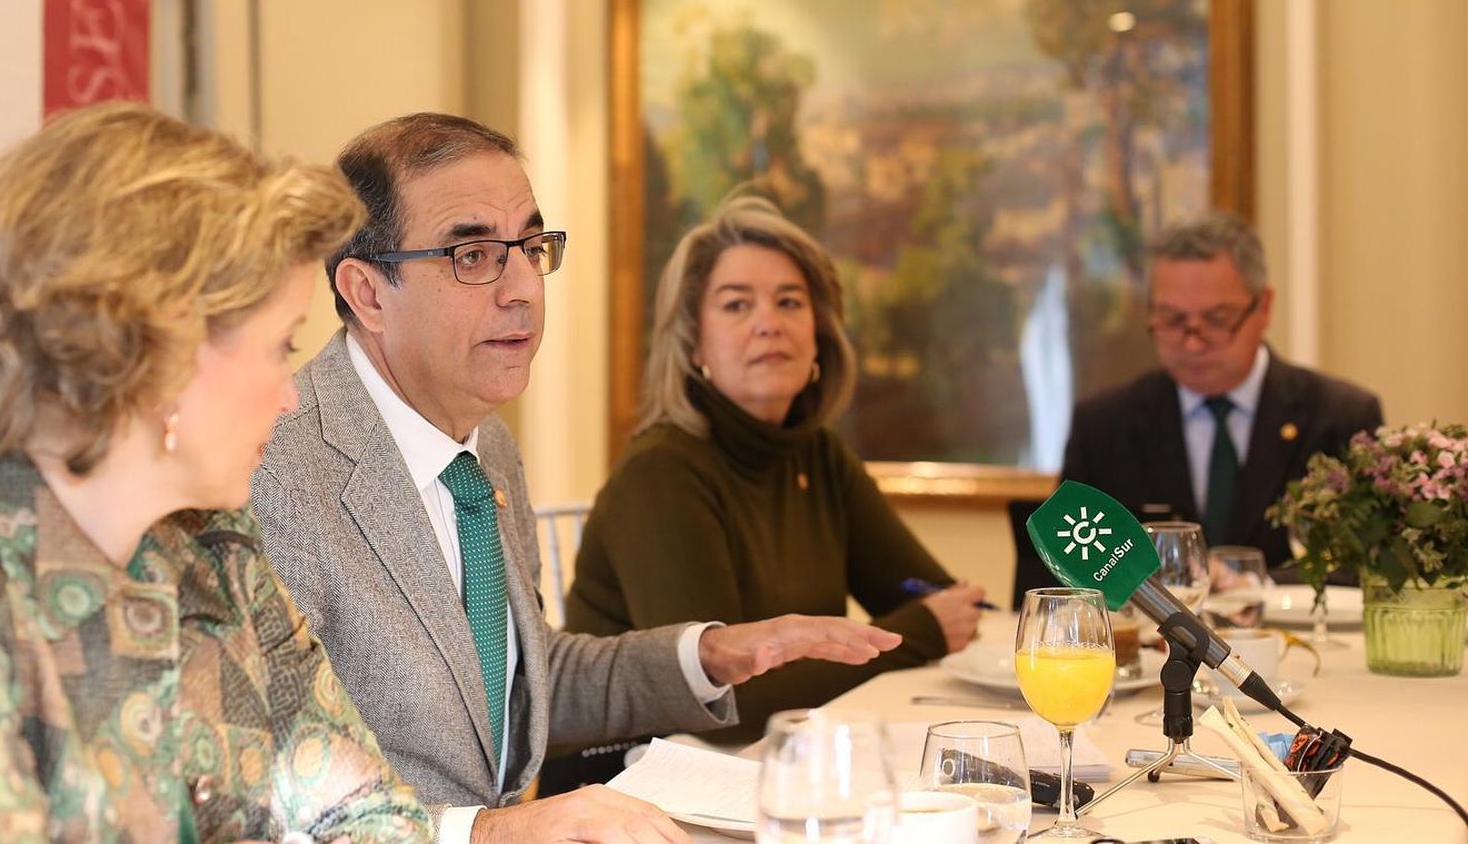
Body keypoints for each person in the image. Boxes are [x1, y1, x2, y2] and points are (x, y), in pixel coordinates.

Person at [249, 114, 900, 844]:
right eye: (472, 254)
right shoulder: (274, 468)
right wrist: (494, 831)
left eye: (530, 245)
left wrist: (709, 654)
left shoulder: (485, 445)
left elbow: (528, 680)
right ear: (368, 293)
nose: (524, 286)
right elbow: (261, 797)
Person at [0, 103, 429, 843]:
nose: (290, 392)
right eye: (279, 346)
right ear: (163, 349)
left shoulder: (216, 545)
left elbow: (376, 815)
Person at [563, 195, 986, 748]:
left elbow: (938, 600)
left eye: (789, 302)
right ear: (694, 344)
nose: (768, 323)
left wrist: (931, 619)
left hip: (772, 763)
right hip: (630, 788)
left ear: (819, 336)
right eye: (737, 306)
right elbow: (722, 702)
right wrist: (920, 631)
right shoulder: (661, 473)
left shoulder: (819, 456)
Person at [1041, 211, 1382, 597]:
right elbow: (1065, 572)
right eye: (1171, 320)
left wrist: (1253, 586)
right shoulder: (1103, 425)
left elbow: (1367, 569)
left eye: (1217, 320)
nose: (1192, 343)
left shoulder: (1340, 417)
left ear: (1264, 307)